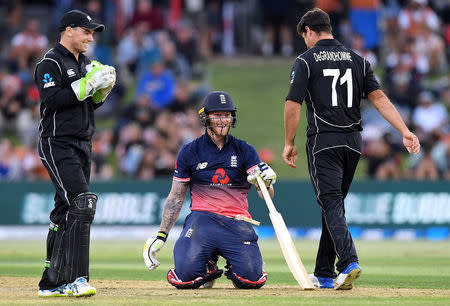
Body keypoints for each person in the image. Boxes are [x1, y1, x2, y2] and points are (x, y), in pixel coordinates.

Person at [282, 8, 420, 290]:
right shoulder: (359, 60)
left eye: (304, 36)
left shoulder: (305, 61)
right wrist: (404, 130)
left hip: (323, 142)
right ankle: (323, 272)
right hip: (353, 144)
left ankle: (348, 262)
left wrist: (289, 142)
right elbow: (379, 98)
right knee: (332, 206)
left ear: (309, 31)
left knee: (330, 203)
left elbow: (293, 104)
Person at [143, 91, 277, 289]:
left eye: (226, 115)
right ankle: (208, 265)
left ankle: (236, 262)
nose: (222, 120)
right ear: (206, 117)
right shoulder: (190, 151)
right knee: (185, 278)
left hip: (237, 222)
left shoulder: (245, 150)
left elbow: (266, 195)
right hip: (202, 221)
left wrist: (266, 183)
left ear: (232, 117)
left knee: (251, 280)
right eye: (217, 115)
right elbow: (176, 196)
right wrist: (161, 234)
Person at [34, 10, 116, 297]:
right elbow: (52, 100)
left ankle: (51, 282)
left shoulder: (84, 63)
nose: (90, 37)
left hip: (83, 143)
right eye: (86, 31)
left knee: (64, 211)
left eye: (92, 33)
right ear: (69, 30)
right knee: (82, 204)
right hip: (56, 142)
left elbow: (84, 104)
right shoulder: (50, 62)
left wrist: (100, 92)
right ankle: (77, 278)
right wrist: (85, 85)